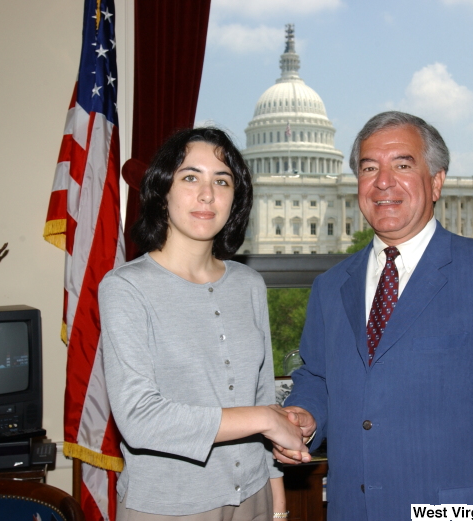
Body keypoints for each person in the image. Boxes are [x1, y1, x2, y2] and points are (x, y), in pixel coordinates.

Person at [274, 111, 473, 518]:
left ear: (437, 181)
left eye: (402, 165)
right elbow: (317, 376)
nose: (383, 181)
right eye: (369, 168)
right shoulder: (331, 286)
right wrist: (306, 415)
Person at [100, 127, 307, 520]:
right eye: (190, 177)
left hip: (255, 496)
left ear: (236, 199)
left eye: (222, 181)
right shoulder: (125, 288)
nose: (207, 194)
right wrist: (265, 419)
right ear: (163, 191)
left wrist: (276, 497)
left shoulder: (249, 284)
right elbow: (140, 419)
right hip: (168, 506)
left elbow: (262, 392)